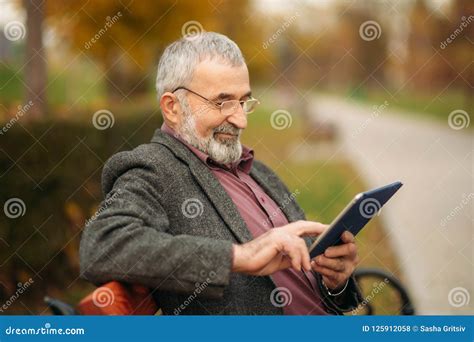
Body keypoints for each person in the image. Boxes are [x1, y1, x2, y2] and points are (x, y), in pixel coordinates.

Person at [79, 32, 362, 315]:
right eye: (222, 102)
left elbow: (310, 282)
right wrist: (241, 256)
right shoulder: (152, 168)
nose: (241, 119)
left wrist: (334, 280)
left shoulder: (257, 170)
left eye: (243, 102)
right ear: (173, 108)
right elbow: (102, 246)